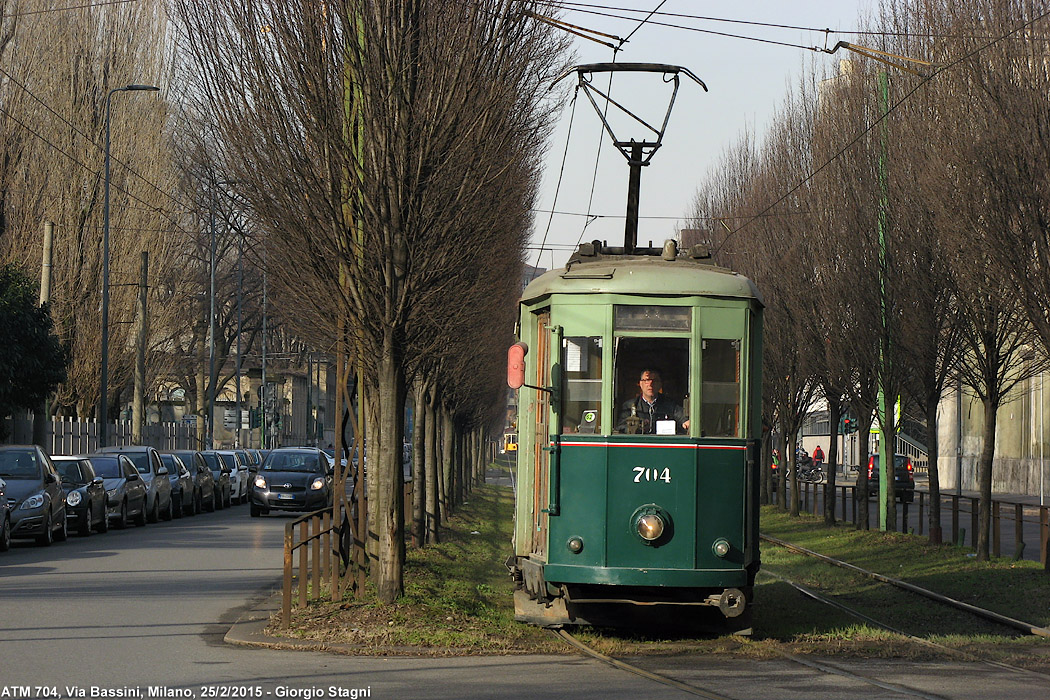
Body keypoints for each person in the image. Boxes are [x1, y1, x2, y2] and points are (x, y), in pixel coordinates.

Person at [617, 369, 689, 434]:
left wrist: (685, 422)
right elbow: (620, 427)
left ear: (660, 384)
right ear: (640, 384)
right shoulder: (629, 405)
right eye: (647, 380)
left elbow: (682, 418)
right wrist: (636, 428)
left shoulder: (670, 404)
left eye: (654, 381)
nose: (650, 384)